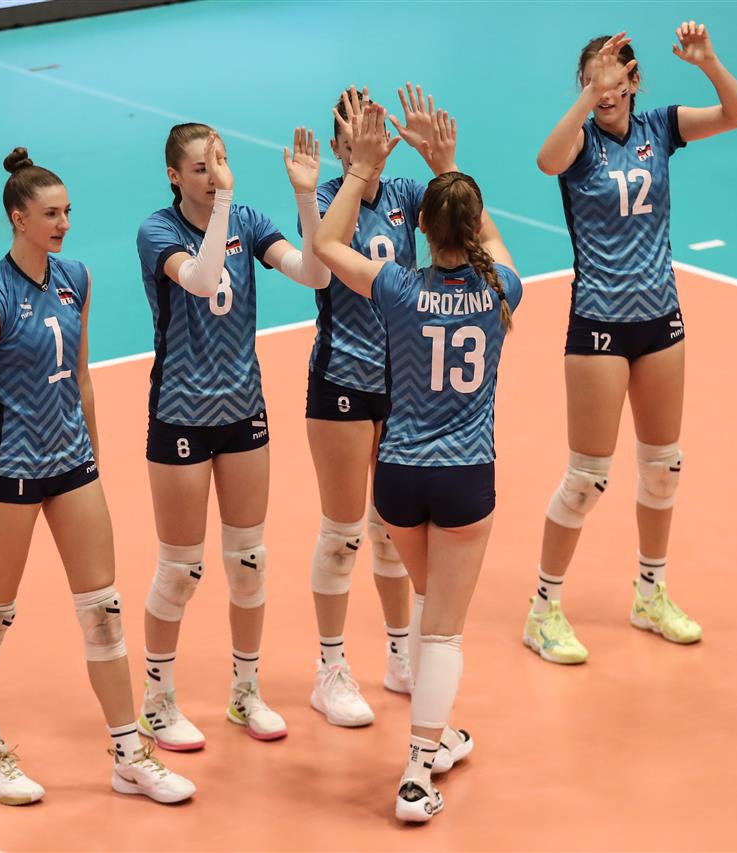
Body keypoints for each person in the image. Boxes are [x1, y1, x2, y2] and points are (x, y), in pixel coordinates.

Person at [0, 148, 194, 805]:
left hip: (73, 467)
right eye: (50, 214)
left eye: (68, 211)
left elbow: (84, 378)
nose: (64, 223)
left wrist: (93, 460)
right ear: (19, 219)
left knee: (104, 613)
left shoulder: (76, 278)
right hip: (11, 472)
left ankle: (129, 754)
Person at [314, 103, 522, 822]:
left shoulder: (397, 286)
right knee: (443, 630)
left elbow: (328, 243)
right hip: (465, 477)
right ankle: (415, 771)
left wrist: (361, 170)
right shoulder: (502, 289)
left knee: (432, 608)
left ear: (422, 229)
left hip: (399, 477)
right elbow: (492, 238)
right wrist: (446, 165)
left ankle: (441, 735)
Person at [524, 24, 737, 663]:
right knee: (586, 479)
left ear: (633, 81)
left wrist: (709, 62)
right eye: (591, 81)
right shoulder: (580, 143)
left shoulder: (660, 127)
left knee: (663, 466)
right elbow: (546, 160)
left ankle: (650, 594)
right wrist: (585, 97)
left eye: (613, 79)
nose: (604, 91)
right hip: (599, 326)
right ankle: (543, 610)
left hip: (661, 320)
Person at [133, 125, 331, 750]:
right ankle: (157, 702)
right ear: (174, 177)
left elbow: (315, 274)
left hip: (243, 410)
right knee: (181, 571)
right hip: (180, 414)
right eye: (200, 168)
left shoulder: (248, 219)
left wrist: (305, 199)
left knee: (249, 562)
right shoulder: (157, 231)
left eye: (219, 162)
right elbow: (199, 277)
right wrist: (221, 201)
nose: (214, 174)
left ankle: (246, 693)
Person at [303, 84, 458, 728]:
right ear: (338, 147)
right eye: (355, 140)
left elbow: (460, 224)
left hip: (401, 384)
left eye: (376, 137)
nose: (370, 147)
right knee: (342, 535)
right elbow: (322, 257)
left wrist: (440, 161)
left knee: (392, 530)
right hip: (341, 380)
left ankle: (400, 655)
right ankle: (330, 670)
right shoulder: (323, 199)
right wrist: (357, 174)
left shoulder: (406, 196)